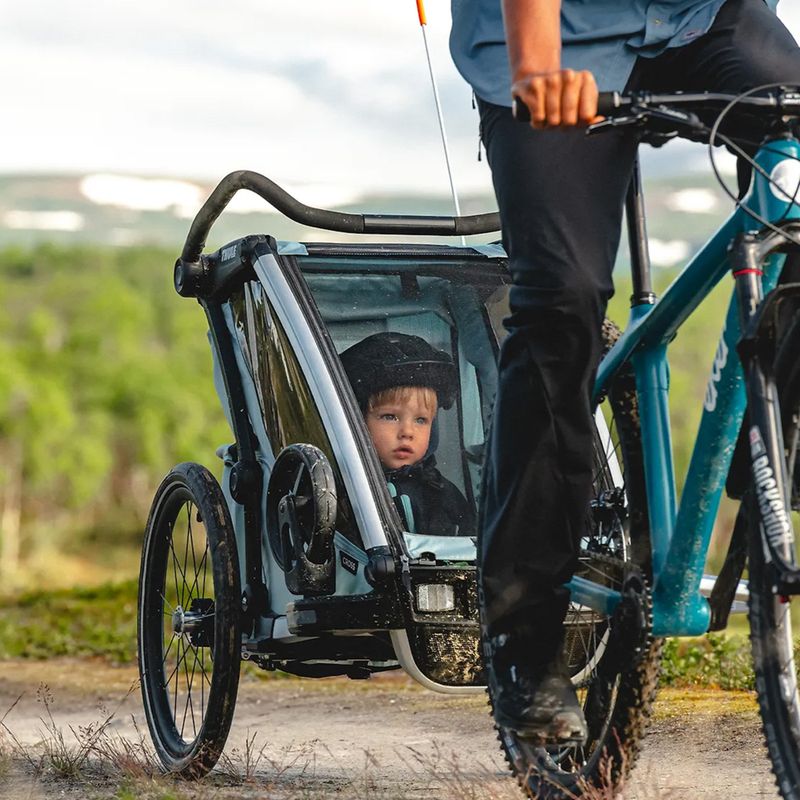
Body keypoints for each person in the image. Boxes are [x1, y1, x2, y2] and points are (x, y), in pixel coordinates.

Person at [449, 0, 800, 743]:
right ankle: (526, 635)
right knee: (562, 302)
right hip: (553, 37)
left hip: (700, 19)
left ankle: (784, 436)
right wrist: (539, 67)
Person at [340, 331, 476, 536]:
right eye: (390, 417)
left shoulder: (442, 495)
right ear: (357, 421)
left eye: (421, 420)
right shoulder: (343, 492)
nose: (407, 432)